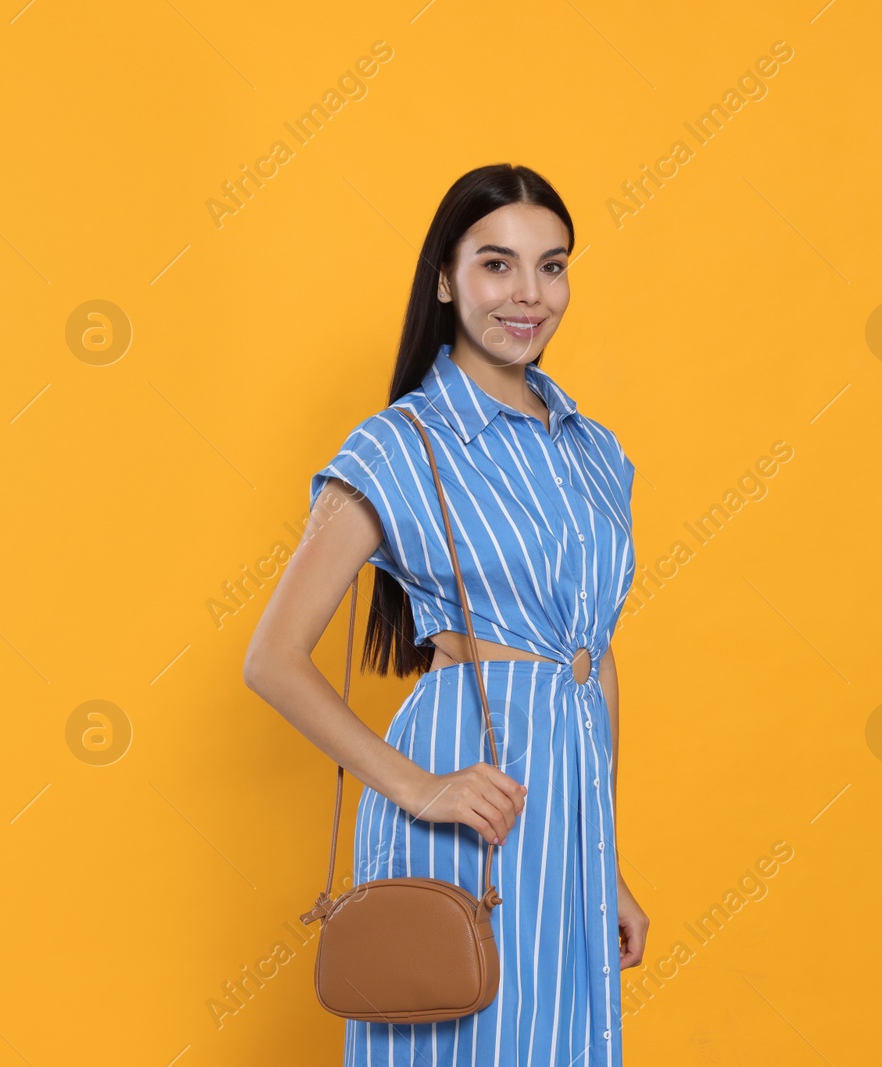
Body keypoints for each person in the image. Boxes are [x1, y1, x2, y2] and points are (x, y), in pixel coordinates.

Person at [243, 163, 647, 1066]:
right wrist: (420, 786)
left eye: (553, 266)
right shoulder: (400, 442)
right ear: (445, 277)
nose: (529, 295)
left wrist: (605, 856)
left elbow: (596, 652)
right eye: (497, 265)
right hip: (465, 800)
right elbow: (271, 656)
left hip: (566, 814)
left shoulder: (595, 449)